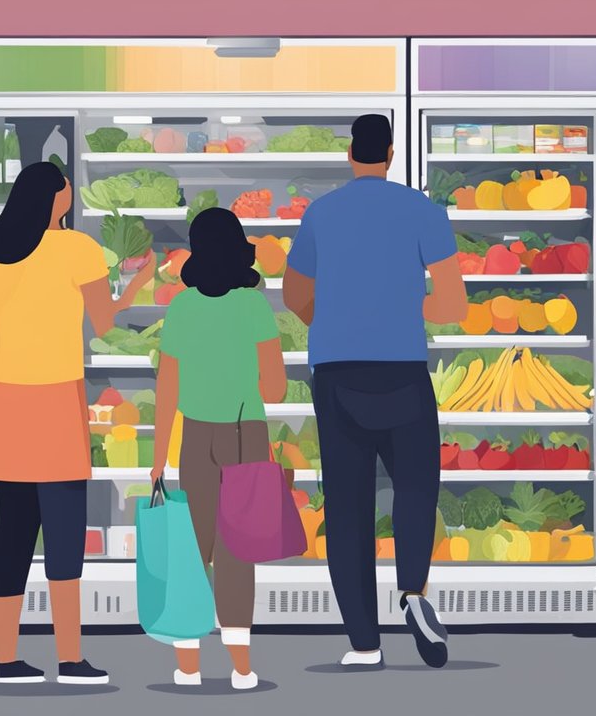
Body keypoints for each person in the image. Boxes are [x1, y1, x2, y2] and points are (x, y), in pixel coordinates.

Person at [283, 114, 468, 669]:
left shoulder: (322, 213)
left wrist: (333, 321)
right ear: (390, 153)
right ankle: (413, 593)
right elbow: (453, 305)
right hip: (402, 369)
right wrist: (406, 311)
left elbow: (294, 294)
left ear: (350, 155)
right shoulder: (422, 211)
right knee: (414, 488)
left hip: (337, 373)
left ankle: (363, 643)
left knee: (347, 506)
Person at [0, 161, 153, 685]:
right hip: (55, 401)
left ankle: (6, 660)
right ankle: (70, 658)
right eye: (67, 189)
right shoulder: (77, 248)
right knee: (63, 532)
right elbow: (105, 321)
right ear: (56, 198)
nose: (71, 194)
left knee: (11, 531)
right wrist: (142, 279)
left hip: (4, 400)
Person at [149, 207, 288, 690]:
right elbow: (275, 389)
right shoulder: (253, 306)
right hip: (245, 433)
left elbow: (167, 386)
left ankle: (188, 666)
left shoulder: (183, 307)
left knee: (192, 549)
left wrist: (157, 457)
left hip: (195, 436)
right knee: (237, 551)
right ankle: (242, 668)